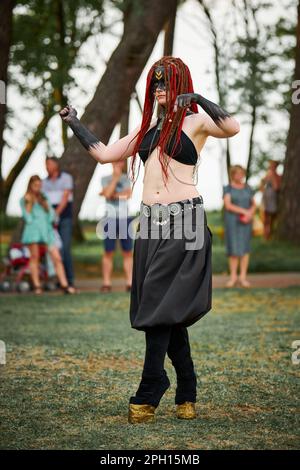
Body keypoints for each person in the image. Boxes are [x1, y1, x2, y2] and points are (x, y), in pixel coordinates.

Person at [59, 56, 240, 423]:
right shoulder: (146, 130)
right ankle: (186, 387)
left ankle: (151, 385)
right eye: (155, 83)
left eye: (166, 82)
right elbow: (104, 152)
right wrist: (74, 122)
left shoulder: (196, 123)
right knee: (164, 310)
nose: (159, 88)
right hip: (150, 227)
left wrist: (196, 97)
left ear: (180, 84)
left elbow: (232, 126)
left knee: (158, 305)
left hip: (184, 224)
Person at [20, 175, 75, 294]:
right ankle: (37, 286)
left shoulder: (44, 197)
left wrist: (50, 219)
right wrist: (29, 203)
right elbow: (27, 218)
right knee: (34, 258)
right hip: (33, 231)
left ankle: (65, 285)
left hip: (47, 231)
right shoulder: (25, 199)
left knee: (57, 257)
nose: (38, 188)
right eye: (35, 185)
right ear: (30, 185)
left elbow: (51, 214)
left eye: (40, 185)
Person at [99, 159, 133, 293]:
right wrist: (115, 179)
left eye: (120, 162)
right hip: (110, 218)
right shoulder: (105, 178)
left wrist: (112, 194)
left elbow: (127, 195)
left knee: (128, 252)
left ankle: (129, 282)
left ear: (123, 164)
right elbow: (107, 195)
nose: (118, 165)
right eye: (115, 162)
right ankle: (106, 283)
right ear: (112, 164)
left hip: (125, 218)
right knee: (108, 252)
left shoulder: (126, 179)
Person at [42, 156, 76, 291]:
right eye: (46, 164)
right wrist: (50, 217)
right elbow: (44, 202)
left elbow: (65, 198)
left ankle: (70, 280)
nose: (47, 167)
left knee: (65, 248)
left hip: (64, 218)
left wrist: (55, 214)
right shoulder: (44, 182)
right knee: (53, 249)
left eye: (49, 164)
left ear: (56, 165)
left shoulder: (66, 178)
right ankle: (58, 280)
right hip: (49, 220)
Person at [223, 165, 256, 288]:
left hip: (246, 222)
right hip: (232, 221)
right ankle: (233, 277)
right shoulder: (228, 189)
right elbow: (228, 205)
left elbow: (253, 204)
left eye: (242, 173)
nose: (240, 176)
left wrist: (250, 213)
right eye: (238, 173)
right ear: (233, 175)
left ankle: (243, 277)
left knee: (245, 248)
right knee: (233, 249)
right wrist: (244, 211)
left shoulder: (248, 188)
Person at [259, 159, 281, 240]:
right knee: (266, 218)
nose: (271, 167)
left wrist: (272, 178)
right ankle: (266, 236)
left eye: (273, 165)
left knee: (272, 218)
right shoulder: (268, 175)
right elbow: (261, 188)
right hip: (268, 198)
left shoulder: (277, 175)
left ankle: (269, 235)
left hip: (273, 198)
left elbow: (276, 187)